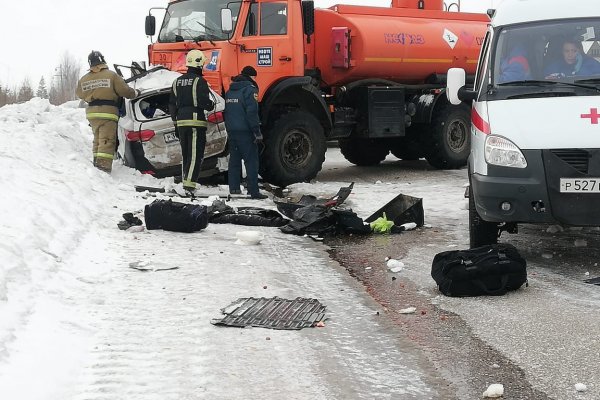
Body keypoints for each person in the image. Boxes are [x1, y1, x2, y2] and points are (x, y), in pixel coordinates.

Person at [76, 50, 139, 173]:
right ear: (102, 60)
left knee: (98, 139)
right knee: (107, 140)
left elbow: (79, 94)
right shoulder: (111, 75)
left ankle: (96, 164)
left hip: (92, 114)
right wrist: (135, 93)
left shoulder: (84, 79)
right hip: (107, 112)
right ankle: (103, 167)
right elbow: (125, 91)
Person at [168, 49, 215, 195]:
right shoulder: (199, 81)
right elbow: (204, 102)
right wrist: (210, 105)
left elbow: (171, 104)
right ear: (199, 64)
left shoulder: (177, 82)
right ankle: (189, 185)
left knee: (186, 153)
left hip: (181, 121)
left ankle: (185, 181)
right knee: (195, 153)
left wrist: (175, 123)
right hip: (196, 122)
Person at [224, 66, 268, 200]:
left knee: (235, 161)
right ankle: (253, 191)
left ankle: (234, 188)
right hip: (246, 132)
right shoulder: (250, 90)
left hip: (232, 130)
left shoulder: (230, 91)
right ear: (252, 77)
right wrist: (257, 131)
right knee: (251, 161)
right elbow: (252, 113)